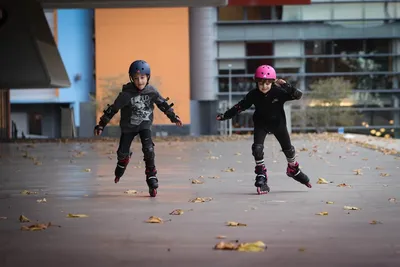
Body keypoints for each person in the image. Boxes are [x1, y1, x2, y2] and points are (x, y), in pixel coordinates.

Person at [216, 65, 312, 194]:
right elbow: (240, 106)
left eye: (267, 83)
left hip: (278, 124)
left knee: (289, 150)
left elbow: (298, 95)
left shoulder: (278, 92)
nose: (264, 86)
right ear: (256, 82)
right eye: (261, 83)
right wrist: (225, 115)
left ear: (272, 82)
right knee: (257, 148)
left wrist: (285, 85)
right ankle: (261, 173)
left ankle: (293, 168)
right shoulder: (253, 94)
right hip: (261, 124)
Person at [93, 60, 182, 197]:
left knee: (149, 149)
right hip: (129, 127)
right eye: (136, 78)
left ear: (148, 77)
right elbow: (113, 109)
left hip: (144, 126)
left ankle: (151, 175)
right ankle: (123, 161)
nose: (140, 81)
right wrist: (101, 124)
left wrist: (174, 117)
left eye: (142, 77)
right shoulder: (126, 94)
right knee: (122, 153)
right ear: (131, 79)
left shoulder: (151, 91)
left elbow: (163, 104)